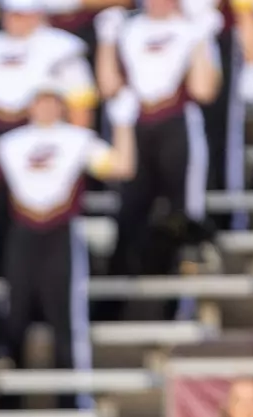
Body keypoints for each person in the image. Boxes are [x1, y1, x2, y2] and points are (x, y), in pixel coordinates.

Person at [0, 85, 135, 390]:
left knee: (66, 317)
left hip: (62, 232)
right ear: (29, 108)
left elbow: (122, 167)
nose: (45, 110)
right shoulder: (11, 143)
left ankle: (74, 395)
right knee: (15, 314)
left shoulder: (77, 139)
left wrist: (124, 124)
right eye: (39, 103)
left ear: (61, 108)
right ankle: (9, 397)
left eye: (52, 103)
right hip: (22, 233)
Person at [96, 0, 221, 285]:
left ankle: (182, 297)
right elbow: (108, 87)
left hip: (176, 122)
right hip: (136, 124)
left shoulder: (191, 27)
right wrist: (106, 41)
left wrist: (202, 41)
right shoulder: (127, 28)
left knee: (184, 212)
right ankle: (120, 289)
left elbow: (204, 90)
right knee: (129, 209)